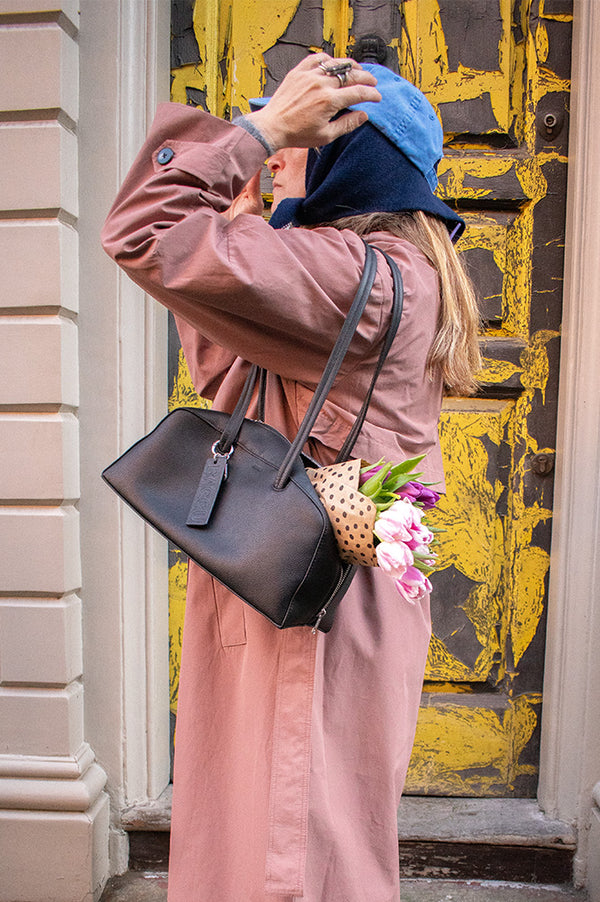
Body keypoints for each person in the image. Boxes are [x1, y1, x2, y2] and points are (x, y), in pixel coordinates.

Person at [102, 53, 480, 902]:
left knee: (291, 852)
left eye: (304, 133)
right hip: (295, 570)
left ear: (352, 153)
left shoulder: (356, 278)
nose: (276, 153)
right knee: (278, 829)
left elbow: (143, 229)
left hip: (309, 591)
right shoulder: (362, 270)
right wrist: (250, 210)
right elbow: (227, 375)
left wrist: (256, 132)